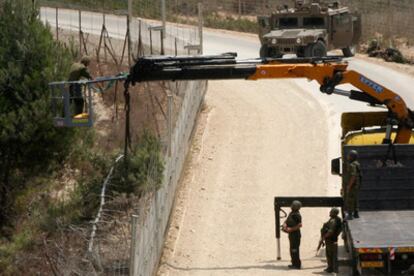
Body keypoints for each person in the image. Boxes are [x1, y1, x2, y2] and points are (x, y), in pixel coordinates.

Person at [282, 200, 302, 269]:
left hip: (295, 235)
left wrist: (291, 229)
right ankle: (293, 263)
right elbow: (287, 220)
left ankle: (297, 264)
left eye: (293, 205)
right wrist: (285, 224)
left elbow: (299, 225)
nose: (291, 206)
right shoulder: (292, 213)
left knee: (294, 249)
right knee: (292, 249)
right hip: (292, 234)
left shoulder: (297, 215)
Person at [322, 208, 342, 273]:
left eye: (331, 212)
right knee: (333, 255)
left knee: (330, 255)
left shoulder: (333, 221)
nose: (330, 213)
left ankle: (331, 268)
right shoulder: (337, 219)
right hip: (333, 240)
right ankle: (333, 268)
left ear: (334, 213)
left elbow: (330, 231)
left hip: (330, 240)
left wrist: (324, 237)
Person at [345, 150, 362, 220]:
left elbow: (353, 176)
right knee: (355, 199)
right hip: (357, 185)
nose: (347, 157)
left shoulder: (352, 165)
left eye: (349, 155)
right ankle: (356, 213)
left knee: (350, 199)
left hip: (352, 185)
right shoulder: (357, 164)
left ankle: (350, 215)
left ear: (352, 157)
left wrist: (349, 186)